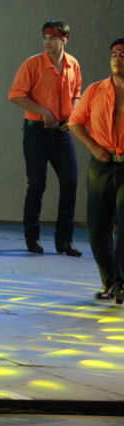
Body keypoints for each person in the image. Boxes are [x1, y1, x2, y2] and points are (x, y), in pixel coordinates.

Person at [8, 20, 83, 256]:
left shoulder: (73, 65)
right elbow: (16, 95)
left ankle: (65, 241)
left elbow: (76, 95)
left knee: (70, 181)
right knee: (37, 184)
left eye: (52, 38)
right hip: (36, 132)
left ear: (64, 40)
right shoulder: (32, 64)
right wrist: (44, 112)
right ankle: (32, 237)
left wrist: (71, 119)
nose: (47, 42)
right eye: (45, 38)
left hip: (61, 133)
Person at [68, 37, 124, 302]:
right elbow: (75, 122)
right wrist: (93, 148)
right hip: (100, 164)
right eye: (114, 53)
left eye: (123, 54)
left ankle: (123, 282)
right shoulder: (95, 90)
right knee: (97, 226)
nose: (117, 58)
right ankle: (110, 281)